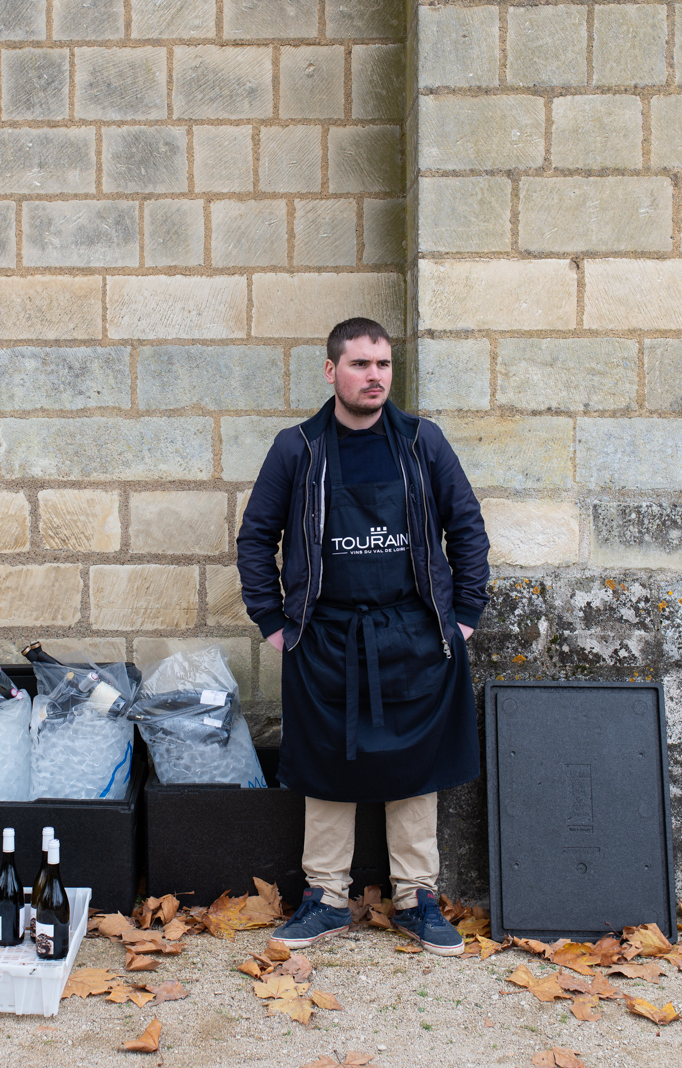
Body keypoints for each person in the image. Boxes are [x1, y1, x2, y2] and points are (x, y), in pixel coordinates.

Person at [236, 317, 489, 955]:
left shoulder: (422, 442)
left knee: (415, 765)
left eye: (382, 364)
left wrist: (463, 614)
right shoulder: (297, 448)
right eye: (360, 364)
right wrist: (273, 623)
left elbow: (466, 526)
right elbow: (256, 538)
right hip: (324, 637)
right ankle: (325, 897)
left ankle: (416, 898)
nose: (374, 376)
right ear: (331, 371)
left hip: (414, 634)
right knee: (326, 765)